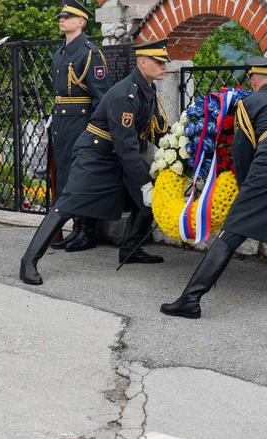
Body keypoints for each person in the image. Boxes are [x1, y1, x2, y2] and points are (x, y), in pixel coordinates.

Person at [160, 56, 267, 319]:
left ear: (253, 80)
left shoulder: (248, 103)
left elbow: (241, 149)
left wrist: (245, 186)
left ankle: (191, 299)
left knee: (233, 229)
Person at [20, 40, 171, 285]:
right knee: (67, 205)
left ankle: (130, 249)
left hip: (115, 154)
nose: (164, 66)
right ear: (142, 63)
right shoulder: (126, 93)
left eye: (165, 62)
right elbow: (126, 146)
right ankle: (28, 261)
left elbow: (152, 129)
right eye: (159, 62)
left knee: (152, 193)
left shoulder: (145, 89)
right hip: (96, 155)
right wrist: (143, 183)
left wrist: (179, 146)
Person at [48, 0, 112, 252]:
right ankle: (76, 228)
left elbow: (101, 97)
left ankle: (87, 231)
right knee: (65, 175)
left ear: (81, 22)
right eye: (61, 17)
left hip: (81, 122)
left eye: (67, 17)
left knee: (83, 176)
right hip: (62, 121)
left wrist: (93, 130)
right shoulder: (61, 52)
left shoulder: (89, 53)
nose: (62, 20)